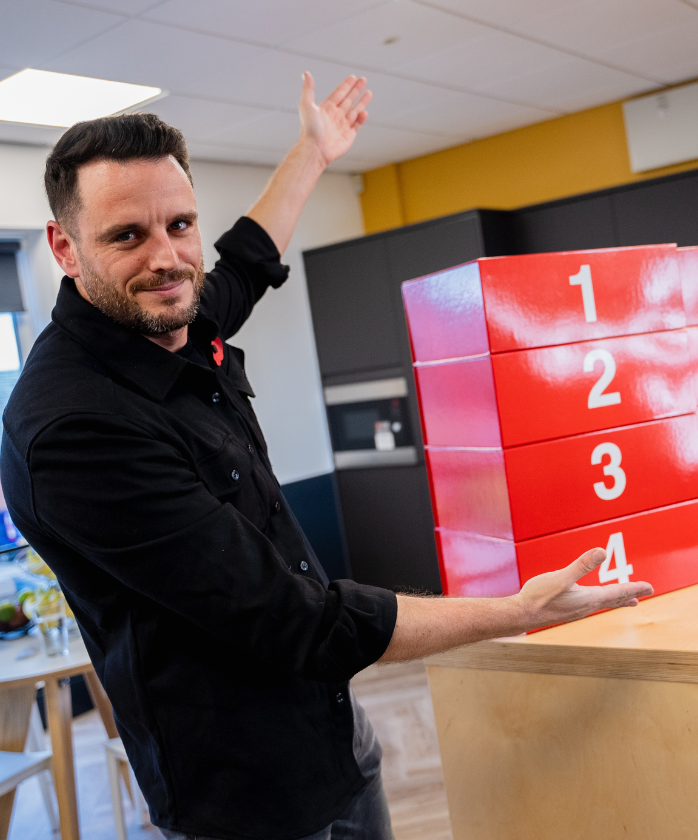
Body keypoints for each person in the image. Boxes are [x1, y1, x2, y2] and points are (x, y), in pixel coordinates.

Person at [0, 72, 652, 840]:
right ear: (63, 247)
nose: (167, 257)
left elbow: (245, 261)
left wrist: (313, 152)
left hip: (331, 733)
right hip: (242, 799)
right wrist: (516, 613)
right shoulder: (73, 428)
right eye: (127, 236)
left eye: (181, 224)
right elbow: (295, 622)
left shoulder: (170, 310)